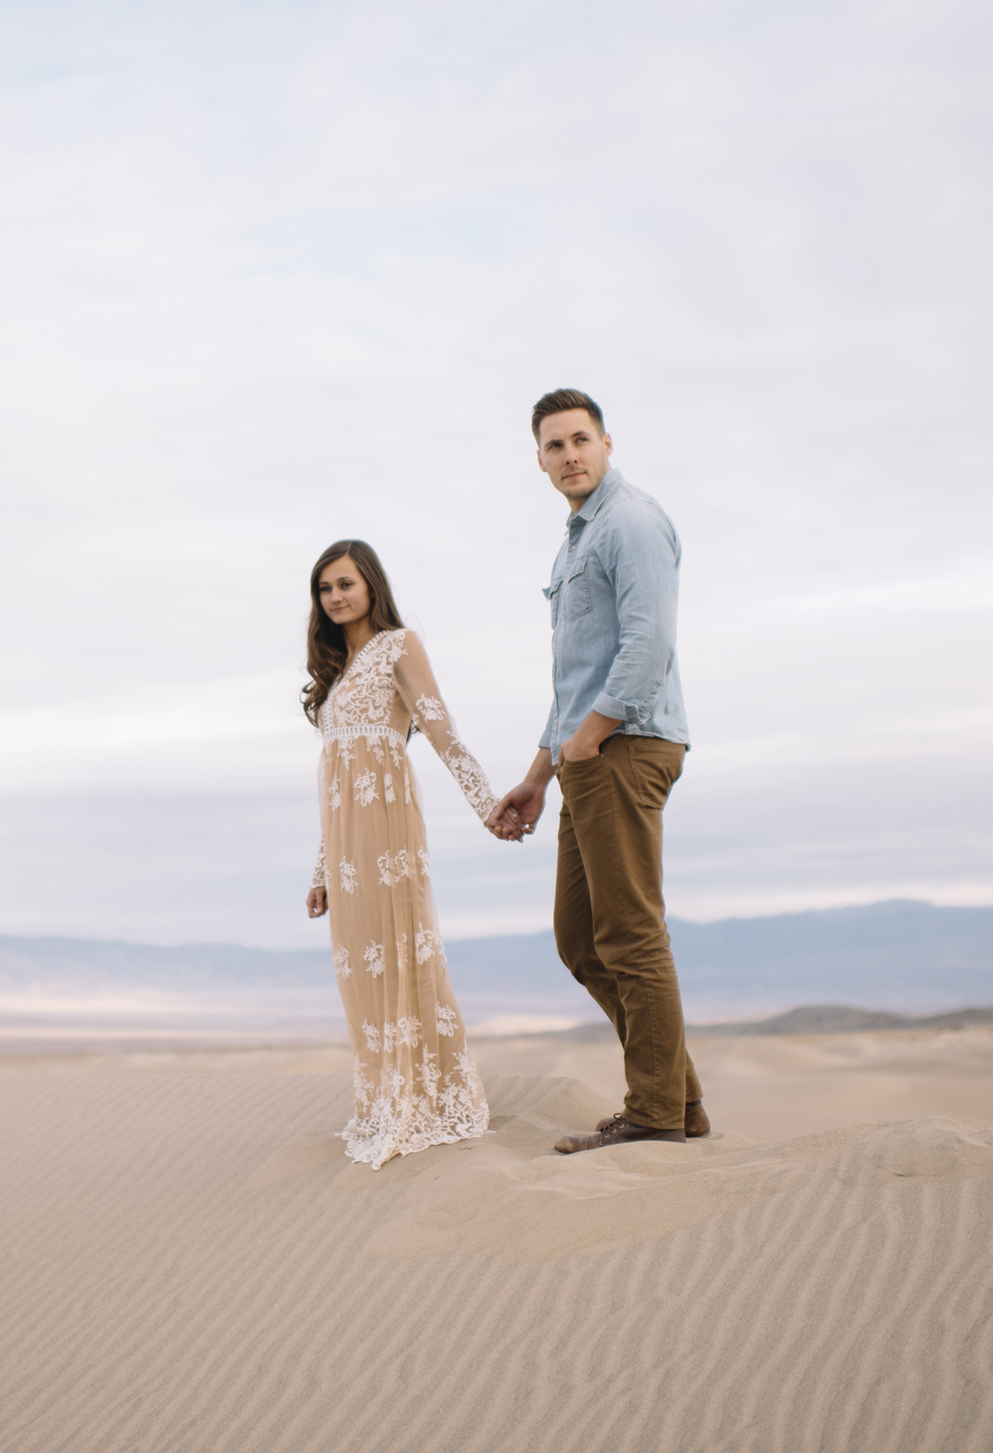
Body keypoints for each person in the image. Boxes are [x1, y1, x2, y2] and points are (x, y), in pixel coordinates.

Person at [489, 389, 711, 1151]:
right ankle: (676, 1095)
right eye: (553, 446)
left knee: (631, 933)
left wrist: (588, 742)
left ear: (608, 442)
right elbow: (573, 680)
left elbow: (646, 648)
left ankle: (655, 1109)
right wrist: (539, 773)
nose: (569, 456)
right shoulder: (574, 543)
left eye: (580, 439)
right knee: (580, 937)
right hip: (586, 753)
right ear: (540, 458)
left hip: (628, 744)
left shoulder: (632, 523)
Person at [303, 539, 506, 1168]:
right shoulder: (337, 671)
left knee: (405, 949)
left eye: (345, 584)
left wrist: (488, 805)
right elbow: (336, 781)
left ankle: (434, 1096)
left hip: (388, 829)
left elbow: (442, 731)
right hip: (346, 848)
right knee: (361, 970)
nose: (335, 597)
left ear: (370, 585)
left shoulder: (398, 646)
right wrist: (321, 869)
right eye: (325, 589)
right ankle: (387, 1096)